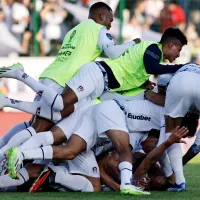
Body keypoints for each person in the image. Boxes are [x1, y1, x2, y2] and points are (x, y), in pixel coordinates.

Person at [0, 1, 139, 161]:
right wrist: (132, 44)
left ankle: (6, 126)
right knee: (41, 127)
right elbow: (113, 52)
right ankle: (7, 154)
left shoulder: (74, 30)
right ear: (102, 16)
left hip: (49, 75)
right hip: (62, 81)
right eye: (110, 20)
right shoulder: (98, 29)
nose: (110, 25)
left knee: (33, 124)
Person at [145, 63, 200, 191]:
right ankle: (178, 180)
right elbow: (197, 147)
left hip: (179, 83)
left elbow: (162, 81)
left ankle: (179, 181)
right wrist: (182, 162)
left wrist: (151, 93)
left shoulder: (174, 73)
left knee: (170, 133)